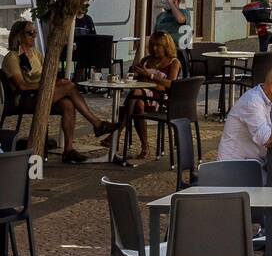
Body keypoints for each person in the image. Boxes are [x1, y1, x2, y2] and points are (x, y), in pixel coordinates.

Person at [2, 18, 114, 163]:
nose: (34, 36)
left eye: (34, 32)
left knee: (67, 103)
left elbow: (44, 76)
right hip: (24, 97)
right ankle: (96, 123)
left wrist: (53, 83)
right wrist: (50, 85)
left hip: (39, 93)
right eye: (30, 33)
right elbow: (22, 86)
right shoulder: (12, 57)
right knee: (70, 86)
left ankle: (68, 150)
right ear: (19, 36)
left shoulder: (35, 54)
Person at [112, 32, 182, 160]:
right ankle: (145, 147)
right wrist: (134, 72)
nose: (155, 48)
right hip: (142, 98)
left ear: (166, 46)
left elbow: (171, 84)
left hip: (160, 99)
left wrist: (150, 76)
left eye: (158, 45)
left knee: (136, 95)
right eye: (153, 45)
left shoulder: (173, 62)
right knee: (137, 103)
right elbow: (134, 74)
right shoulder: (146, 60)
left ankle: (117, 132)